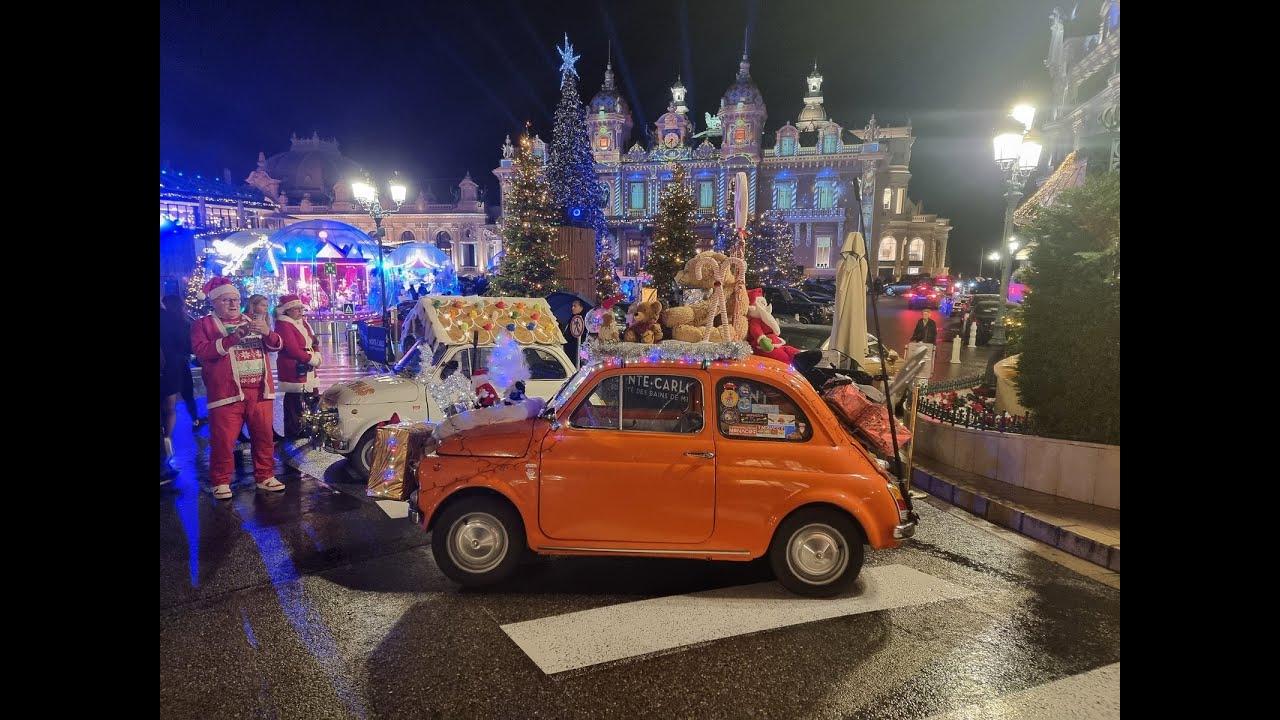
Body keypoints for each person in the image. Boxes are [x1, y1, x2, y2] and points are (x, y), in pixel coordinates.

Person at [191, 277, 286, 500]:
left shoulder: (252, 320)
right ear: (214, 302)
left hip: (259, 391)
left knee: (263, 436)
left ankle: (265, 476)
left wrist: (268, 333)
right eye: (226, 300)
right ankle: (221, 480)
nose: (233, 304)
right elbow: (202, 352)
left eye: (235, 299)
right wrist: (233, 338)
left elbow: (277, 345)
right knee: (223, 440)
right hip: (227, 394)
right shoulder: (203, 324)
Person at [275, 294, 322, 439]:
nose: (300, 311)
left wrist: (317, 355)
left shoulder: (303, 323)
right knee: (295, 399)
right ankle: (294, 430)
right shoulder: (283, 324)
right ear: (287, 311)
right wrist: (312, 360)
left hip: (308, 365)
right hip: (294, 367)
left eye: (301, 308)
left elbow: (313, 341)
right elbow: (291, 348)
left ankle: (308, 426)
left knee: (310, 396)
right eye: (296, 309)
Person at [160, 296, 196, 467]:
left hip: (168, 364)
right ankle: (167, 437)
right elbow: (187, 345)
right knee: (170, 407)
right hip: (172, 366)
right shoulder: (173, 319)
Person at [908, 307, 939, 382]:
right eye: (923, 314)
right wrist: (913, 338)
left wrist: (934, 343)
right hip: (920, 341)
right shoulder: (920, 321)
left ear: (929, 315)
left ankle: (927, 370)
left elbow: (934, 333)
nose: (924, 315)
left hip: (929, 342)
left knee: (927, 356)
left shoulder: (932, 323)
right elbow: (916, 330)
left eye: (926, 314)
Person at [562, 298, 587, 367]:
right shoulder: (572, 318)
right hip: (570, 348)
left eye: (575, 306)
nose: (572, 308)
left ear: (581, 307)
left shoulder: (584, 319)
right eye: (572, 306)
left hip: (578, 350)